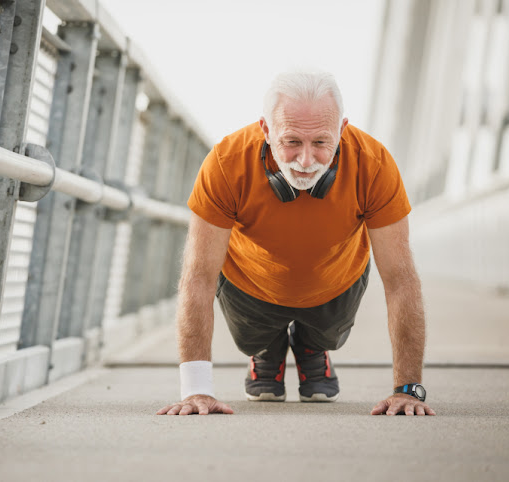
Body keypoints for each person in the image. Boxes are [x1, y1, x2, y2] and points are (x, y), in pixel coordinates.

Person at [157, 71, 435, 417]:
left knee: (326, 335)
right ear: (266, 130)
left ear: (342, 131)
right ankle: (267, 348)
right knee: (252, 339)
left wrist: (409, 390)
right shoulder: (226, 163)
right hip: (250, 283)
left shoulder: (374, 164)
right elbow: (198, 276)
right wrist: (196, 390)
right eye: (291, 142)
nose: (305, 161)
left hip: (336, 281)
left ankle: (312, 346)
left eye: (321, 143)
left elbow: (400, 279)